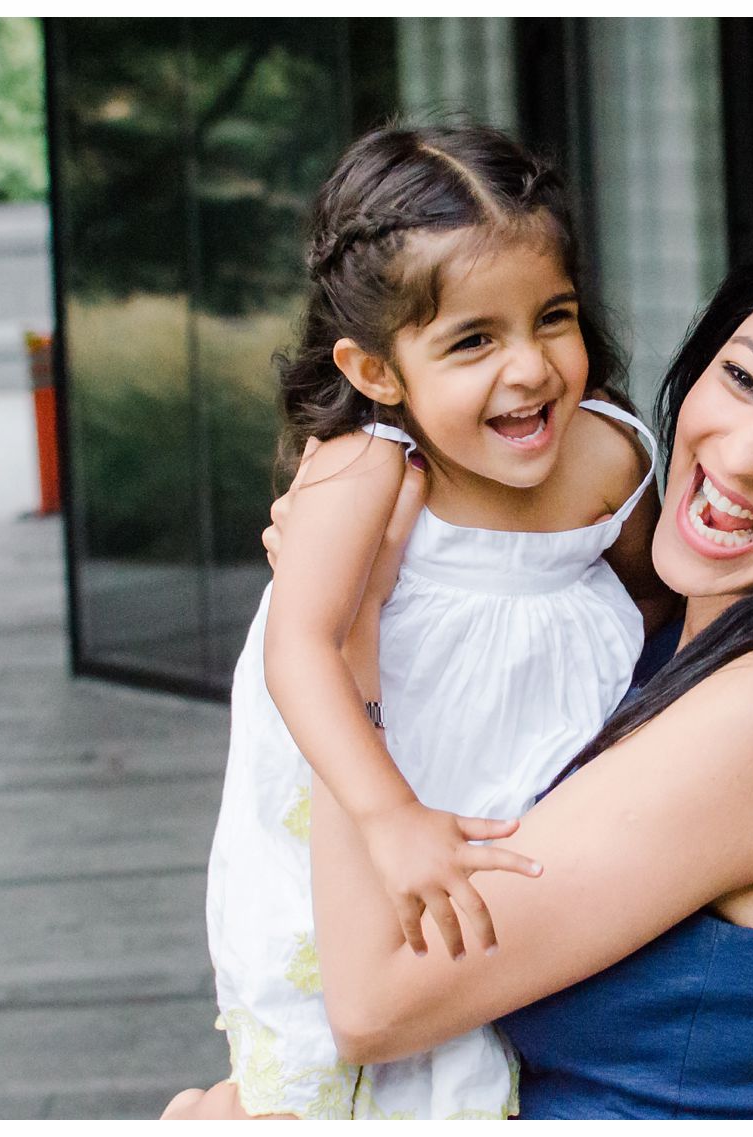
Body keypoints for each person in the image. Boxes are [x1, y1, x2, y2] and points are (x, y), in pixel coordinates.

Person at [178, 218, 753, 1119]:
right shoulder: (644, 642)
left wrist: (350, 629)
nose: (745, 456)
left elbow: (375, 1001)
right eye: (744, 380)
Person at [175, 123, 671, 1120]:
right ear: (376, 371)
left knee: (467, 1049)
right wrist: (387, 817)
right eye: (473, 340)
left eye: (553, 318)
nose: (530, 369)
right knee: (319, 1075)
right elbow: (301, 647)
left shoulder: (610, 459)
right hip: (366, 797)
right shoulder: (368, 468)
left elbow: (657, 601)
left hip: (510, 798)